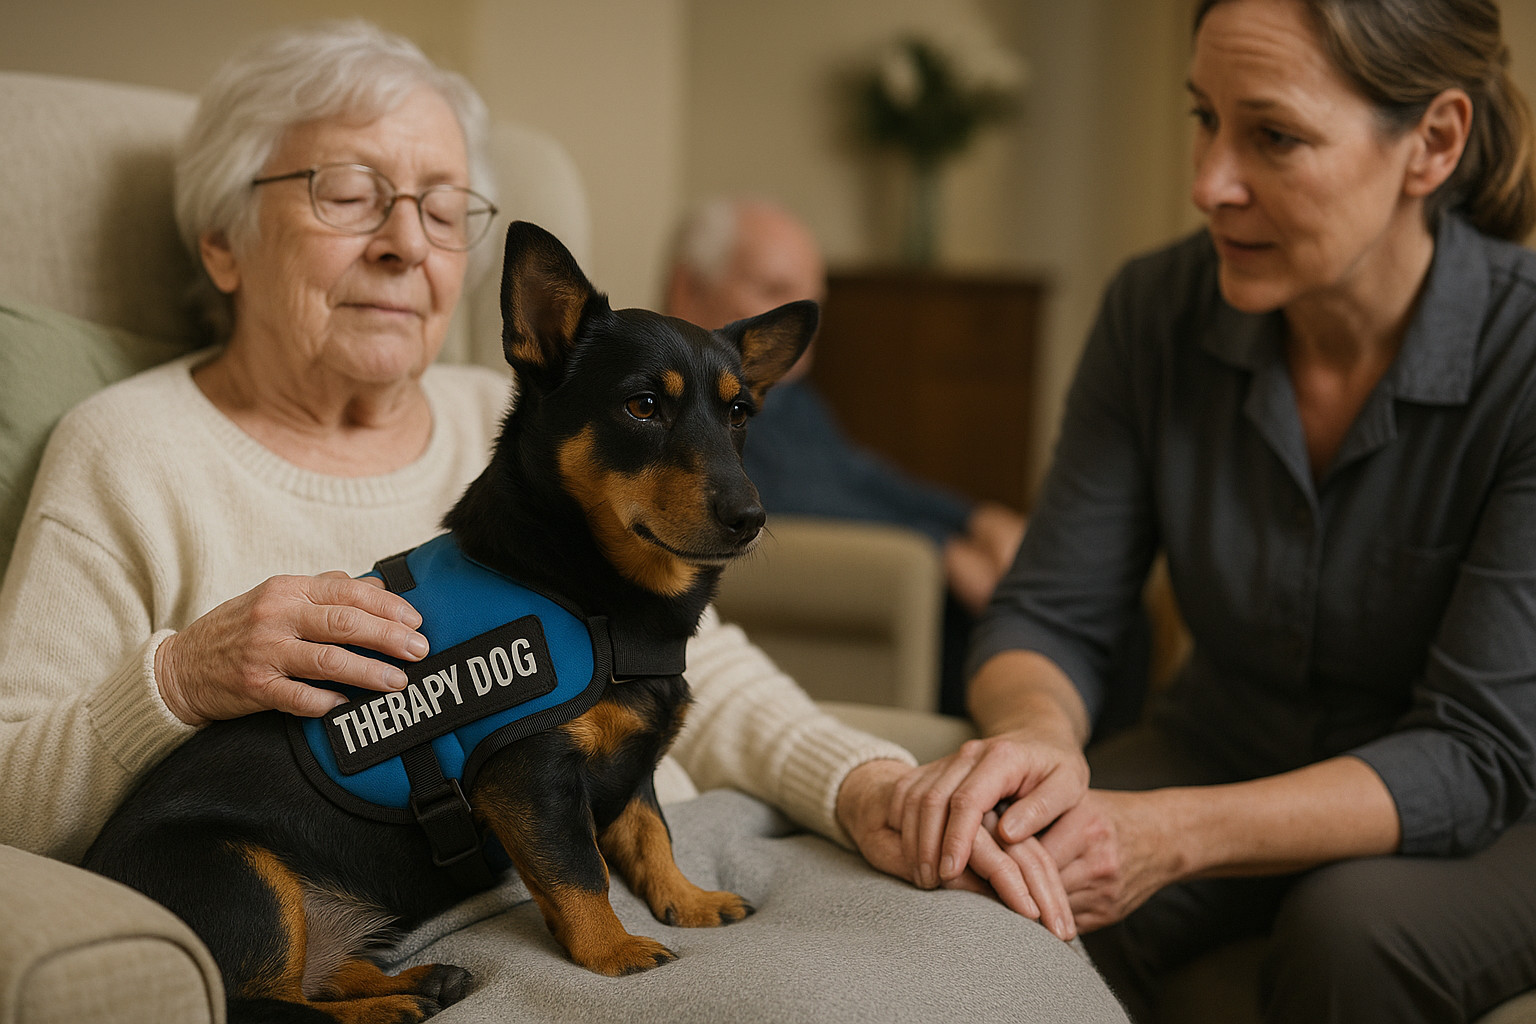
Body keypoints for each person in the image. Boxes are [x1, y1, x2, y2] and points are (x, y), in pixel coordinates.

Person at [0, 21, 1125, 1021]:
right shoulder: (127, 450)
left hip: (646, 844)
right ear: (224, 239)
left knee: (999, 960)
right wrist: (182, 675)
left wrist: (864, 787)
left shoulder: (528, 412)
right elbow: (9, 795)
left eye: (444, 208)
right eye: (347, 193)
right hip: (446, 914)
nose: (406, 242)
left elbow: (691, 668)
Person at [881, 1, 1536, 1021]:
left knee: (1350, 934)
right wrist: (1040, 734)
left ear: (1434, 143)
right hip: (1225, 743)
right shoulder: (1154, 311)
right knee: (1002, 878)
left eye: (1274, 136)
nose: (1209, 184)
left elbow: (1475, 751)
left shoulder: (1522, 356)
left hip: (1499, 801)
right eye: (1204, 118)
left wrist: (1173, 835)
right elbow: (1050, 611)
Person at [664, 197, 1028, 713]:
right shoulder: (692, 398)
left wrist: (973, 518)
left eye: (814, 302)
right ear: (689, 288)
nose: (802, 326)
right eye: (775, 290)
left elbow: (859, 475)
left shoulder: (792, 398)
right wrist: (941, 548)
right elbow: (784, 494)